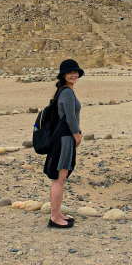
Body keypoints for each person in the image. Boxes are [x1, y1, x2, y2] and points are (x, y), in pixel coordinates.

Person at [43, 59, 84, 229]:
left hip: (63, 137)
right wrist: (76, 135)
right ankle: (54, 218)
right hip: (64, 138)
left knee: (61, 177)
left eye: (75, 72)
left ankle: (58, 213)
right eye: (70, 72)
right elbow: (70, 117)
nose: (74, 75)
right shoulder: (66, 92)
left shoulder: (65, 91)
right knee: (59, 179)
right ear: (63, 75)